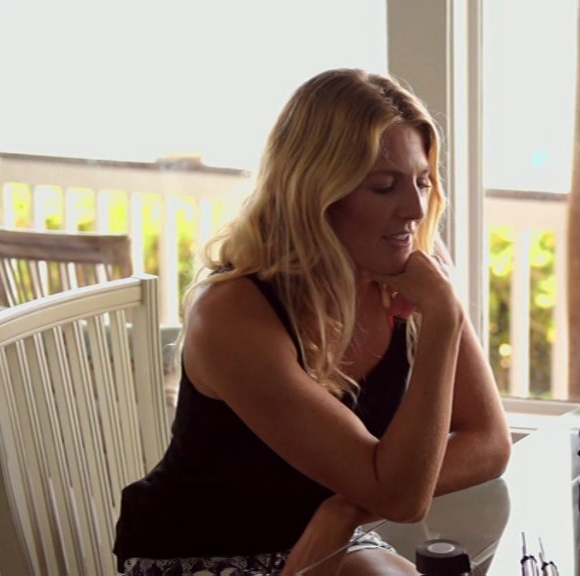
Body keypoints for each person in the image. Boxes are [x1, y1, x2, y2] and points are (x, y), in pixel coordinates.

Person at [114, 68, 512, 576]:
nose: (414, 209)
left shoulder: (413, 265)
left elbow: (489, 442)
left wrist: (345, 510)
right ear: (317, 192)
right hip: (201, 552)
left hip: (327, 537)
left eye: (422, 181)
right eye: (384, 186)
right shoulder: (232, 313)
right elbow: (402, 499)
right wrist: (443, 320)